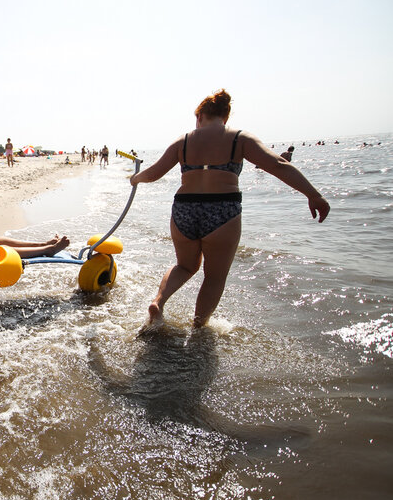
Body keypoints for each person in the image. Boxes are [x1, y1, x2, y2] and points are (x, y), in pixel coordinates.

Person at [129, 89, 329, 327]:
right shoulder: (239, 139)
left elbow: (154, 173)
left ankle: (159, 302)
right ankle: (198, 328)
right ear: (225, 118)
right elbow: (278, 165)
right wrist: (313, 194)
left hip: (184, 210)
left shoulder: (182, 141)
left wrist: (135, 179)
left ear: (200, 116)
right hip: (222, 211)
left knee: (185, 266)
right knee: (214, 277)